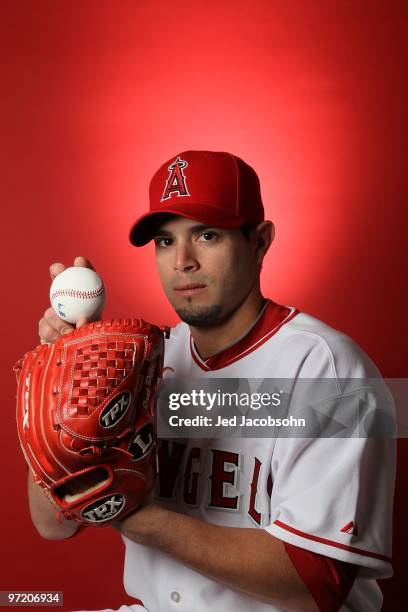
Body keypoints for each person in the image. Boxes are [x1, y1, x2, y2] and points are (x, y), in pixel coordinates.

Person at [35, 150, 395, 611]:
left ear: (260, 241)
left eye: (206, 235)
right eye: (165, 241)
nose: (182, 261)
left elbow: (315, 580)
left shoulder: (328, 370)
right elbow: (52, 523)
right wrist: (68, 380)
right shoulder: (144, 360)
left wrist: (138, 516)